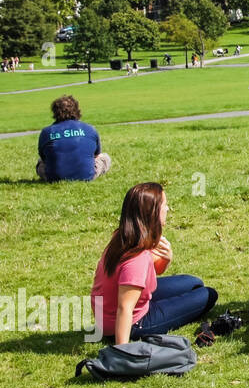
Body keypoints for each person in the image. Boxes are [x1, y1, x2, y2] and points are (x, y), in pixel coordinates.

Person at [90, 182, 218, 344]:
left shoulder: (125, 236)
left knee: (195, 283)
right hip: (133, 323)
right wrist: (122, 350)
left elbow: (147, 275)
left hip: (109, 312)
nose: (168, 209)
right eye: (165, 205)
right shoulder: (137, 258)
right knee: (209, 294)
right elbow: (125, 308)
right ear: (153, 213)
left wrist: (167, 259)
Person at [37, 96, 111, 182]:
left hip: (54, 178)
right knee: (105, 158)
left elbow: (43, 157)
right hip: (86, 176)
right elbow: (96, 154)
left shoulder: (46, 132)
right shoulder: (90, 129)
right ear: (77, 110)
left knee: (40, 163)